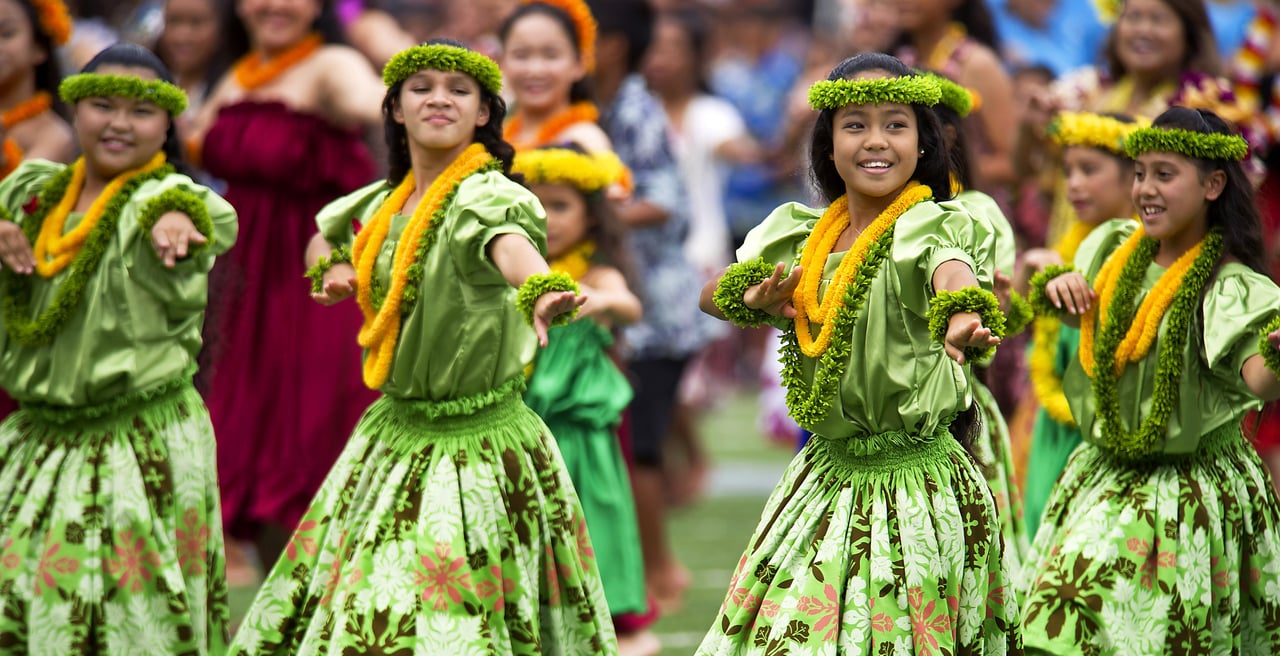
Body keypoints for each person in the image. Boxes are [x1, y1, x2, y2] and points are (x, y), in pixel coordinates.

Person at [226, 40, 616, 655]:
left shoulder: (490, 197)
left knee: (451, 611)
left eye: (459, 90)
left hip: (478, 445)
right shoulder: (380, 203)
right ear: (397, 110)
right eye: (422, 87)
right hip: (392, 435)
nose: (440, 98)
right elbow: (324, 233)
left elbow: (509, 244)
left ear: (484, 114)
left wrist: (539, 287)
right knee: (370, 606)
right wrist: (329, 267)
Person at [695, 52, 1020, 654]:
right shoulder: (798, 233)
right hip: (825, 475)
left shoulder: (933, 225)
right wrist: (754, 294)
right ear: (827, 145)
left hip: (915, 485)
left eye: (896, 124)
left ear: (924, 143)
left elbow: (951, 272)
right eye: (855, 125)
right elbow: (710, 295)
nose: (877, 141)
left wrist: (963, 317)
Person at [0, 42, 237, 653]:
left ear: (168, 124)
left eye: (141, 111)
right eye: (102, 105)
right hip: (37, 439)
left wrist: (178, 219)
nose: (119, 124)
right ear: (73, 110)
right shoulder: (33, 196)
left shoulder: (168, 202)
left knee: (132, 621)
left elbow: (207, 214)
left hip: (138, 440)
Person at [1022, 106, 1280, 654]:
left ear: (1213, 184)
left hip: (1189, 489)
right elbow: (1087, 318)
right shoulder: (1114, 252)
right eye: (1140, 173)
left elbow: (1257, 379)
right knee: (1062, 623)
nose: (1145, 188)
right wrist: (1052, 280)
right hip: (1106, 471)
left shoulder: (1230, 286)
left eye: (1165, 175)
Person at [189, 0, 384, 571]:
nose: (274, 5)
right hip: (246, 288)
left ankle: (349, 602)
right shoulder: (238, 73)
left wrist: (430, 91)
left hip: (316, 278)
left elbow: (376, 102)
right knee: (255, 444)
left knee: (317, 433)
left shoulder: (331, 65)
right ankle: (289, 610)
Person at [515, 144, 658, 656]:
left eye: (561, 206)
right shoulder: (512, 273)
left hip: (580, 438)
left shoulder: (594, 275)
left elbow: (629, 306)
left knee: (591, 522)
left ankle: (609, 613)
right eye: (536, 204)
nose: (547, 219)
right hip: (521, 430)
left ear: (592, 219)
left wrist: (596, 301)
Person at [1015, 110, 1142, 539]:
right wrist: (1025, 276)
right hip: (1054, 428)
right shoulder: (1070, 248)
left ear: (1134, 179)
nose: (1073, 184)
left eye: (1089, 170)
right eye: (1068, 171)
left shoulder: (1143, 256)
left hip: (1105, 437)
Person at [928, 70, 1032, 571]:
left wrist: (982, 311)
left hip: (958, 414)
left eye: (903, 126)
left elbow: (995, 311)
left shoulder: (974, 212)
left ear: (944, 137)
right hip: (876, 432)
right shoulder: (860, 214)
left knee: (966, 564)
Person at [500, 0, 611, 153]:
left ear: (580, 63)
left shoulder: (584, 140)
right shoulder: (497, 137)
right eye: (521, 55)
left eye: (551, 55)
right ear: (502, 61)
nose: (535, 70)